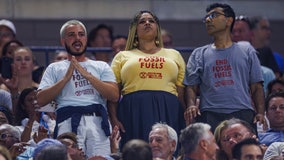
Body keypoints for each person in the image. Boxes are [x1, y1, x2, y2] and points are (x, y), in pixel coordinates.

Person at [36, 19, 119, 159]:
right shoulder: (54, 68)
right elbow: (41, 99)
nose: (77, 38)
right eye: (71, 35)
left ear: (86, 39)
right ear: (63, 41)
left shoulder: (101, 66)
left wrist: (87, 75)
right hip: (68, 122)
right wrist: (65, 78)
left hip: (98, 122)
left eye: (81, 34)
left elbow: (114, 95)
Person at [184, 3, 266, 132]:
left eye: (214, 15)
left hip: (243, 112)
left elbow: (256, 87)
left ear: (229, 20)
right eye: (206, 17)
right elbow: (191, 87)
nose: (207, 20)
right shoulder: (199, 53)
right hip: (209, 114)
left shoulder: (247, 51)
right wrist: (191, 105)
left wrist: (261, 113)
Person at [109, 10, 186, 148]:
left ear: (157, 28)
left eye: (151, 21)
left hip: (169, 108)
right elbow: (113, 94)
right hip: (133, 110)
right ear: (135, 30)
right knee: (136, 152)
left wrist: (185, 116)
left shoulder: (175, 54)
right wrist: (113, 118)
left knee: (167, 150)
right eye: (142, 21)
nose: (147, 23)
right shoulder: (122, 56)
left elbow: (181, 94)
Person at [231, 15, 275, 95]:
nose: (236, 34)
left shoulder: (266, 73)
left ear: (251, 35)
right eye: (233, 32)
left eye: (240, 31)